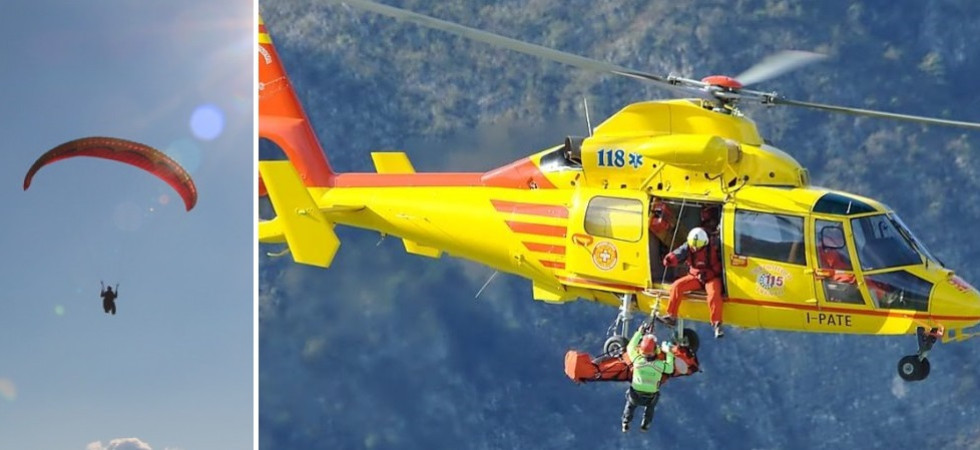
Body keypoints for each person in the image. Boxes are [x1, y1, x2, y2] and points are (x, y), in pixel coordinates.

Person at [659, 227, 725, 338]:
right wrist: (670, 258)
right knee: (677, 286)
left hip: (712, 277)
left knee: (714, 294)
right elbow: (679, 253)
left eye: (697, 246)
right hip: (695, 276)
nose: (694, 248)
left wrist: (711, 273)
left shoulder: (715, 245)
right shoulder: (689, 246)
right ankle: (671, 316)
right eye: (693, 246)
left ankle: (717, 323)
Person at [622, 323, 675, 433]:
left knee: (630, 405)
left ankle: (626, 422)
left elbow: (630, 347)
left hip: (635, 395)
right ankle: (645, 425)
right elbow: (670, 369)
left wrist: (639, 332)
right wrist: (669, 353)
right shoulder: (659, 365)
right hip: (650, 397)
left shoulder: (637, 360)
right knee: (650, 408)